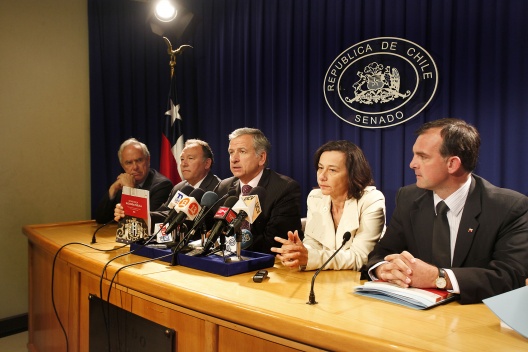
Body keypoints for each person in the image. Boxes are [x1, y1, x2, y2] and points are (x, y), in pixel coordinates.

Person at [366, 118, 528, 304]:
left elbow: (511, 276)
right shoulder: (408, 198)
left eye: (423, 157)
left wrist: (440, 277)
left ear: (452, 164)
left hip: (476, 319)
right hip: (415, 317)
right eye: (414, 155)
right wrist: (384, 269)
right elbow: (381, 254)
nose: (412, 164)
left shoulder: (509, 207)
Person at [270, 140, 386, 271]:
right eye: (320, 168)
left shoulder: (371, 200)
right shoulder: (316, 197)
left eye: (332, 170)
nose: (322, 176)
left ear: (352, 174)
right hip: (325, 277)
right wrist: (298, 252)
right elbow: (313, 243)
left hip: (356, 280)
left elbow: (361, 257)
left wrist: (311, 258)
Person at [213, 127, 303, 254]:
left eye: (242, 151)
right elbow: (214, 231)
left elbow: (275, 243)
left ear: (261, 158)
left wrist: (234, 246)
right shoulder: (223, 187)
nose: (234, 159)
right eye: (231, 152)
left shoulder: (284, 189)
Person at [114, 139, 221, 224]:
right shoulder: (179, 188)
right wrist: (131, 212)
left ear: (207, 163)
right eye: (182, 159)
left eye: (190, 158)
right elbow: (164, 213)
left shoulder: (218, 189)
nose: (184, 164)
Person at [95, 138, 173, 224]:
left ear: (148, 160)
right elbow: (101, 219)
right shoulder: (122, 183)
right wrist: (113, 189)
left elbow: (144, 223)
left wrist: (130, 190)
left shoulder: (162, 186)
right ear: (123, 166)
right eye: (129, 163)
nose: (135, 167)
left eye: (139, 160)